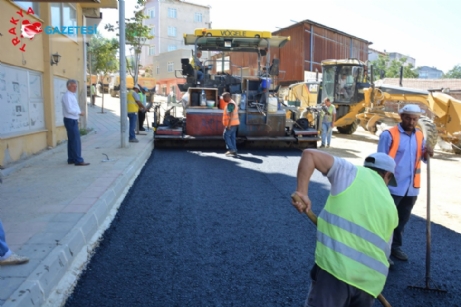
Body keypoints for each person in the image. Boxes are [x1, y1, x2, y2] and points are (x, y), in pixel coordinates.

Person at [292, 150, 398, 307]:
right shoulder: (391, 206)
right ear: (387, 175)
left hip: (336, 271)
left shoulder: (350, 172)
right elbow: (386, 251)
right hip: (370, 282)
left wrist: (302, 193)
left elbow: (310, 154)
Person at [377, 104, 434, 261]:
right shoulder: (389, 135)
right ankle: (381, 251)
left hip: (411, 188)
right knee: (386, 220)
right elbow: (380, 162)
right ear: (401, 117)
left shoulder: (419, 136)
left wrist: (428, 153)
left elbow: (422, 157)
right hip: (392, 186)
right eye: (408, 118)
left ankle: (395, 247)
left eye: (414, 119)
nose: (411, 122)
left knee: (401, 220)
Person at [62, 79, 90, 166]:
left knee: (72, 140)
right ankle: (78, 160)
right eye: (73, 86)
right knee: (76, 141)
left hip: (72, 119)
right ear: (68, 86)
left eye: (76, 86)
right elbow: (69, 109)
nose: (75, 88)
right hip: (70, 120)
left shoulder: (72, 95)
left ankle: (71, 158)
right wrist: (79, 112)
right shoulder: (67, 96)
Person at [221, 92, 240, 156]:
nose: (223, 99)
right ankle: (234, 149)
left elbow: (231, 115)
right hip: (235, 123)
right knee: (232, 137)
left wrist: (228, 125)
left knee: (225, 135)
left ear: (227, 97)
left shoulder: (230, 104)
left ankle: (231, 149)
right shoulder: (233, 102)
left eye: (224, 97)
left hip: (231, 124)